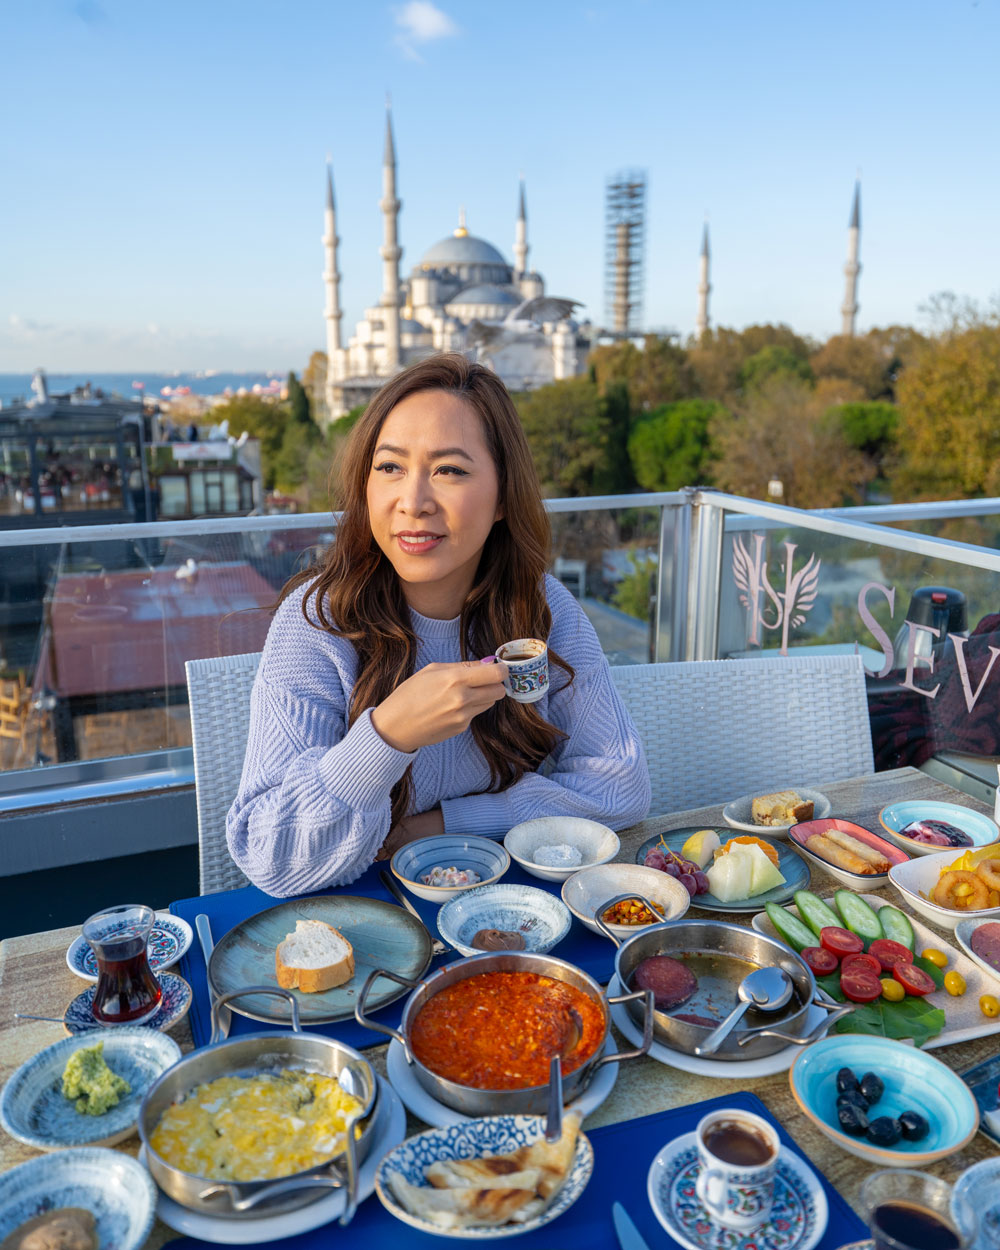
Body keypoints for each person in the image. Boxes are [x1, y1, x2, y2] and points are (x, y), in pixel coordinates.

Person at [227, 353, 650, 896]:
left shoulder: (542, 609)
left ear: (502, 497)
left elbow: (621, 787)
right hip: (366, 923)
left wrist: (439, 825)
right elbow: (268, 857)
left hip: (509, 908)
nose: (414, 502)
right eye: (390, 467)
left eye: (449, 470)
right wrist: (387, 736)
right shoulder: (319, 621)